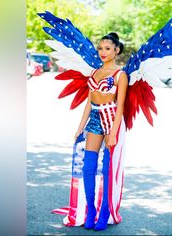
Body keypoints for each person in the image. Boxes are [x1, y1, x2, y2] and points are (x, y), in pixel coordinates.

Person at [73, 32, 128, 231]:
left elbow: (120, 106)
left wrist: (113, 132)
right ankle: (91, 210)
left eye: (107, 48)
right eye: (100, 48)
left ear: (116, 50)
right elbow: (89, 102)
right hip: (95, 119)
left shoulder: (120, 75)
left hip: (111, 118)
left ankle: (104, 211)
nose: (103, 52)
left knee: (107, 169)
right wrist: (80, 127)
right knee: (88, 166)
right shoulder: (95, 72)